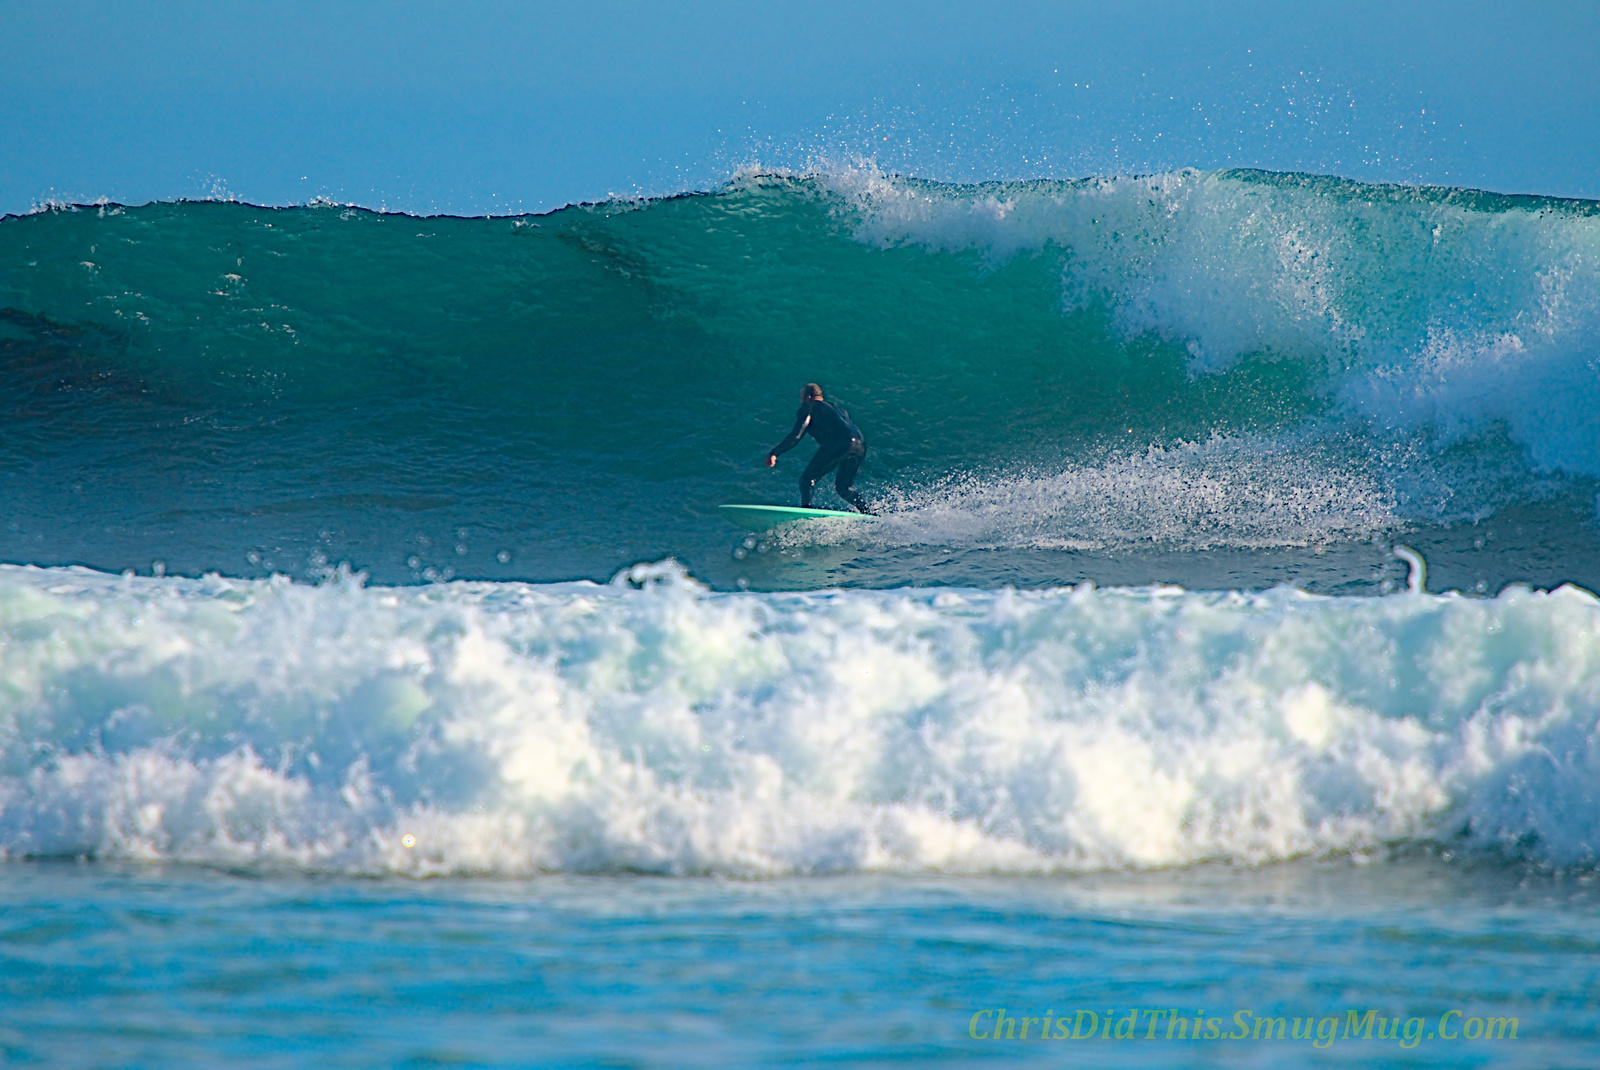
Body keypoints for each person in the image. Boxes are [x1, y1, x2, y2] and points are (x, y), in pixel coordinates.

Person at [765, 383, 872, 513]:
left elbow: (796, 436)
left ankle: (806, 511)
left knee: (807, 479)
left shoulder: (809, 407)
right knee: (843, 488)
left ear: (808, 397)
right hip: (860, 444)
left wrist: (775, 452)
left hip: (839, 442)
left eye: (801, 399)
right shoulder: (840, 410)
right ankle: (869, 512)